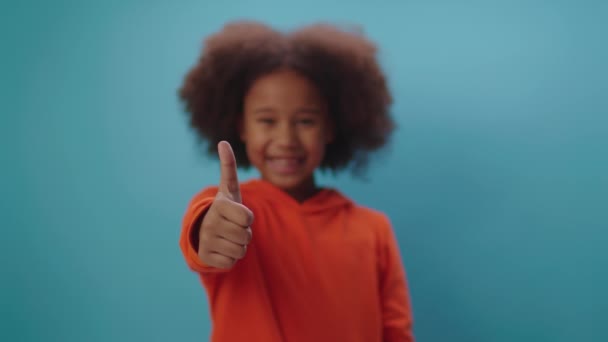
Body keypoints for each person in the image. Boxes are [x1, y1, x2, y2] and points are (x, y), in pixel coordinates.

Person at [178, 20, 414, 342]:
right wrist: (212, 231)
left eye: (305, 120)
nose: (286, 138)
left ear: (330, 127)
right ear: (242, 127)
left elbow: (396, 331)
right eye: (267, 120)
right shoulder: (228, 211)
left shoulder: (374, 229)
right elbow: (206, 238)